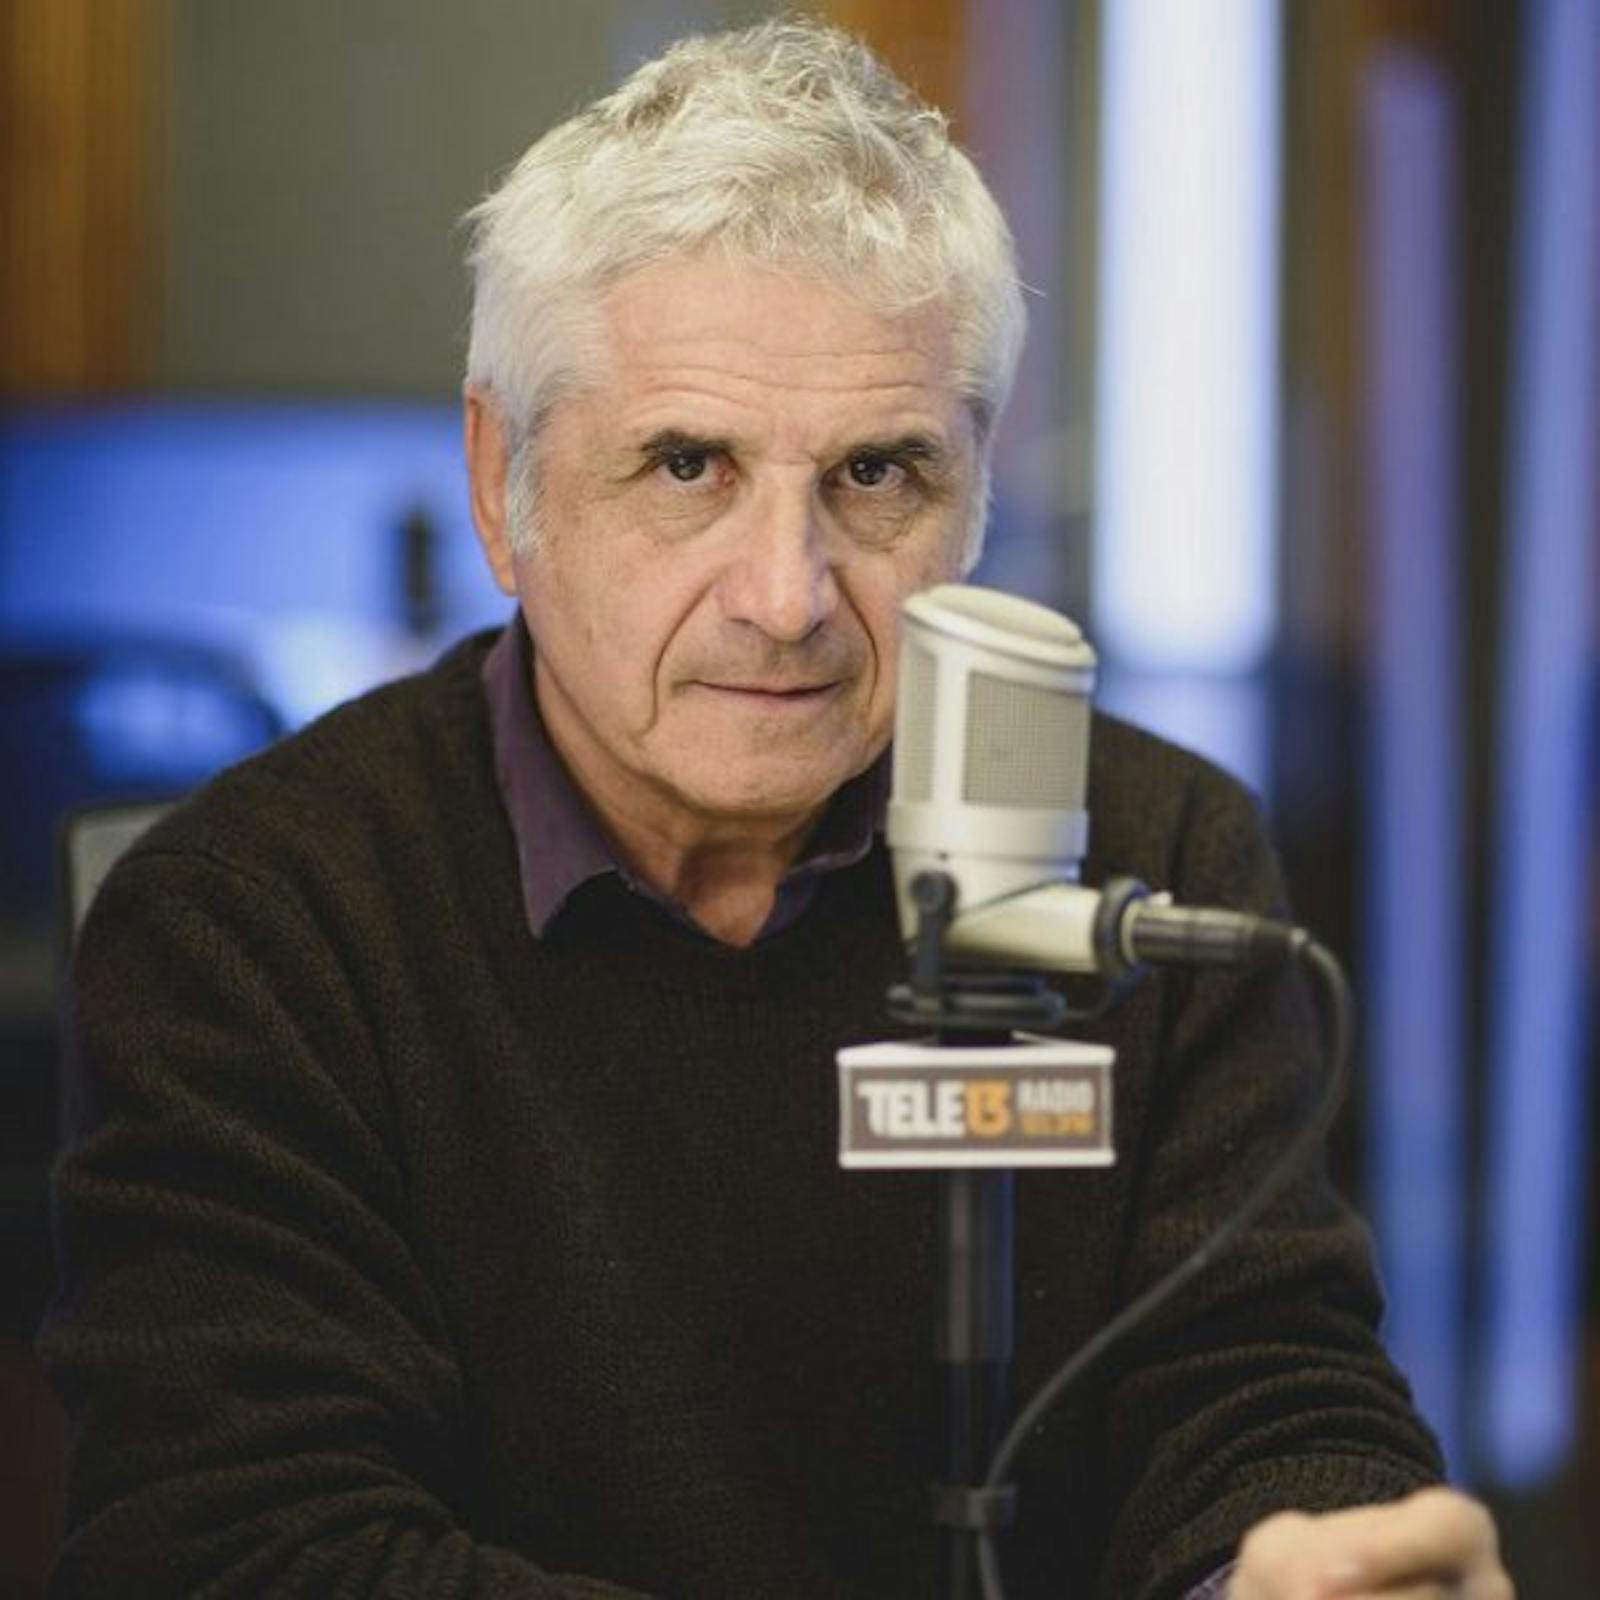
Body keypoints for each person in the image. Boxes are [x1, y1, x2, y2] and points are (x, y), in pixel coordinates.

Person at [42, 19, 1511, 1600]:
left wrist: (1308, 1568)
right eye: (688, 466)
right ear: (501, 484)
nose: (788, 597)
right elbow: (244, 1548)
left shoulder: (1154, 855)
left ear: (977, 492)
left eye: (877, 475)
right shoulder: (262, 920)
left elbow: (1261, 1395)